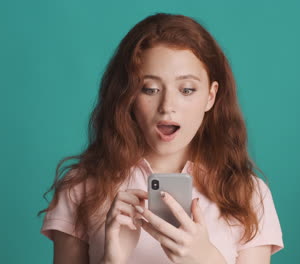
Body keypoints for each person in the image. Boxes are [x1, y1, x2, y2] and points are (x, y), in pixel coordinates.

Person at [38, 12, 284, 264]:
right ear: (129, 95)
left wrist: (207, 259)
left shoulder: (248, 194)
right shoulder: (80, 186)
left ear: (210, 96)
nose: (167, 106)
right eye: (150, 89)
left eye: (187, 89)